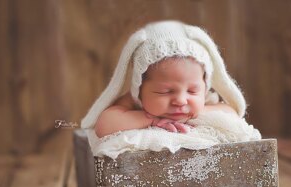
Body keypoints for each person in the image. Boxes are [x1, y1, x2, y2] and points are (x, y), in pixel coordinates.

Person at [81, 20, 248, 139]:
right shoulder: (133, 102)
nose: (181, 100)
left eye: (192, 90)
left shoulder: (205, 101)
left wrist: (195, 115)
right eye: (165, 91)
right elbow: (104, 125)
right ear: (139, 89)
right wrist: (151, 119)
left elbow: (231, 115)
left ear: (204, 87)